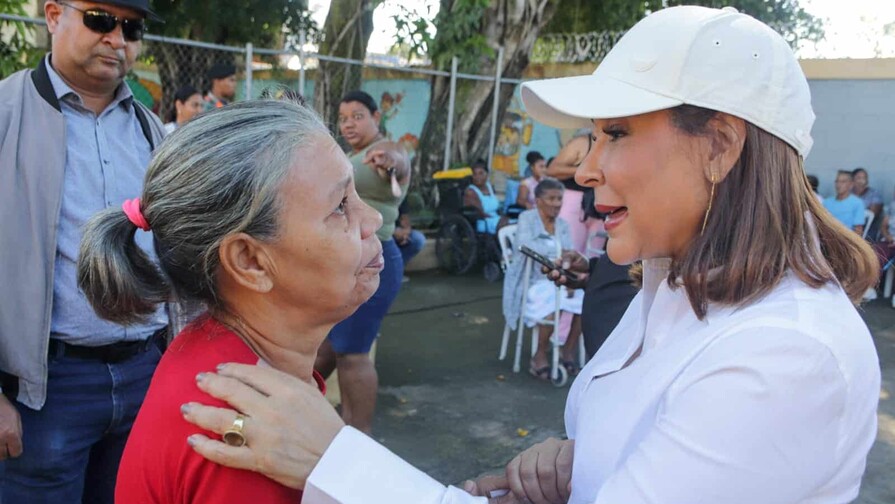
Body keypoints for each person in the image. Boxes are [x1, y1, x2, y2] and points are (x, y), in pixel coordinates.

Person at [180, 6, 881, 504]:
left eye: (614, 133)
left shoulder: (785, 354)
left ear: (721, 146)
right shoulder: (677, 287)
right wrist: (582, 470)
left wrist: (336, 460)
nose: (583, 168)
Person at [77, 99, 384, 503]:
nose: (373, 219)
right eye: (340, 206)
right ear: (251, 261)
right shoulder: (247, 438)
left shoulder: (225, 359)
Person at [0, 1, 168, 503]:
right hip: (43, 391)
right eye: (100, 20)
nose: (117, 39)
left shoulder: (149, 130)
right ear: (54, 15)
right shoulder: (7, 113)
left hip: (144, 375)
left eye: (131, 28)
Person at [314, 90, 410, 434]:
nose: (349, 123)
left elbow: (400, 161)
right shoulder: (352, 155)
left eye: (358, 116)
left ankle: (360, 437)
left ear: (375, 118)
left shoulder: (385, 149)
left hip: (373, 260)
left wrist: (391, 163)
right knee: (331, 347)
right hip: (349, 262)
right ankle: (333, 426)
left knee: (353, 353)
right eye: (343, 118)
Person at [503, 178, 583, 378]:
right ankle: (540, 354)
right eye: (552, 198)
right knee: (551, 300)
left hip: (558, 277)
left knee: (584, 299)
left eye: (560, 199)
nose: (557, 203)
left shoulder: (562, 224)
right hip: (531, 280)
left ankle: (568, 350)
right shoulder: (526, 218)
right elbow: (524, 246)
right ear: (538, 200)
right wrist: (555, 253)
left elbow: (569, 251)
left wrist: (568, 276)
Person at [546, 131, 604, 256]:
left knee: (594, 255)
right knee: (570, 252)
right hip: (575, 201)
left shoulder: (620, 143)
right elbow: (552, 169)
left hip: (603, 203)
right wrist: (586, 170)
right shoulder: (582, 142)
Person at [464, 160, 505, 234]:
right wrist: (500, 220)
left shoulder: (489, 187)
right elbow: (479, 212)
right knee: (507, 225)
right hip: (484, 222)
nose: (477, 177)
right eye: (475, 174)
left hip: (496, 218)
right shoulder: (471, 191)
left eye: (481, 173)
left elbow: (497, 208)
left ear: (487, 174)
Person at [824, 170, 867, 235]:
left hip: (846, 240)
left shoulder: (857, 203)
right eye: (837, 181)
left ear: (851, 184)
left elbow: (858, 231)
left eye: (843, 182)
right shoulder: (826, 202)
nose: (838, 185)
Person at [394, 200, 426, 272]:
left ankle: (397, 270)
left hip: (398, 232)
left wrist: (405, 234)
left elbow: (405, 221)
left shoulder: (400, 197)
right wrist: (393, 232)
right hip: (381, 232)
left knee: (418, 239)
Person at [853, 167, 883, 239]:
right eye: (859, 178)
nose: (862, 181)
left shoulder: (874, 194)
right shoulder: (847, 194)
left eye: (864, 178)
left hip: (867, 231)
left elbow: (872, 214)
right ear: (852, 181)